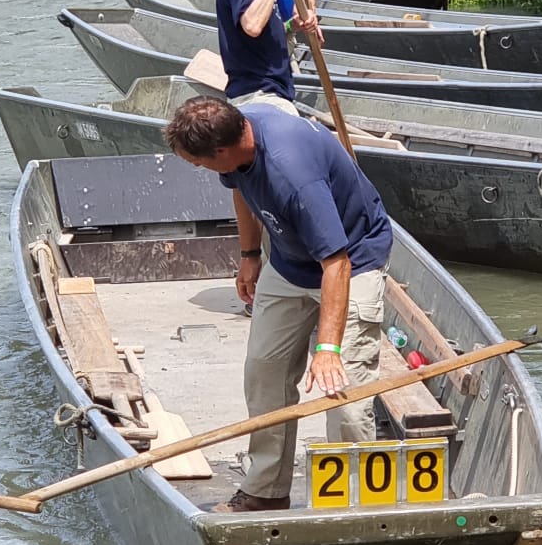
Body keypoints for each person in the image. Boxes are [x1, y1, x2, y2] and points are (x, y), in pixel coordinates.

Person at [164, 97, 393, 511]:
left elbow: (336, 264)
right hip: (288, 263)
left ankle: (356, 504)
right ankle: (265, 491)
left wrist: (327, 349)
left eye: (199, 163)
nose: (199, 170)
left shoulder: (293, 175)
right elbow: (240, 188)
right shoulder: (238, 139)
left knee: (343, 394)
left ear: (221, 151)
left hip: (350, 264)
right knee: (264, 372)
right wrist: (250, 254)